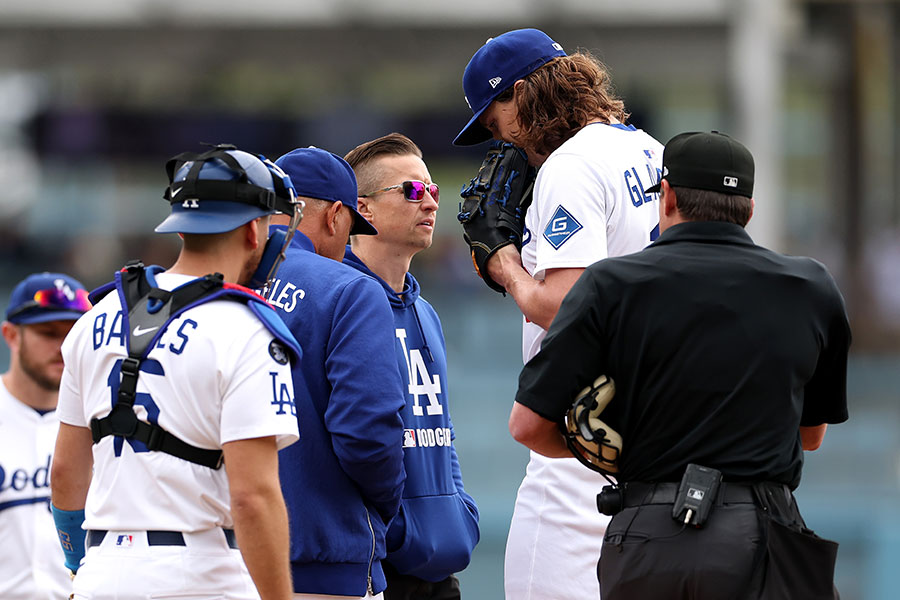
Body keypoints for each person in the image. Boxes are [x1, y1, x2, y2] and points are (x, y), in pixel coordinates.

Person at [510, 131, 850, 599]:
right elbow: (810, 436)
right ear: (749, 210)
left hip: (648, 534)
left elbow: (528, 426)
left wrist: (620, 451)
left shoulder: (612, 284)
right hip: (762, 534)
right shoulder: (810, 287)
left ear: (666, 197)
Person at [453, 27, 664, 599]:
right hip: (659, 434)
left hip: (582, 438)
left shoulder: (570, 165)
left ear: (521, 92)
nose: (502, 139)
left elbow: (569, 306)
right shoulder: (649, 149)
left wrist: (506, 265)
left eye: (495, 120)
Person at [49, 144, 303, 600]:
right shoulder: (246, 329)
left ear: (182, 226)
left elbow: (66, 473)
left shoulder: (95, 316)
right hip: (202, 574)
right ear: (252, 230)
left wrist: (77, 567)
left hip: (100, 573)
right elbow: (253, 498)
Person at [343, 133, 480, 600]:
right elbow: (353, 440)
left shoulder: (426, 312)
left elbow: (442, 430)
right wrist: (396, 532)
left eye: (433, 190)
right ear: (363, 208)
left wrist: (458, 513)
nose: (431, 202)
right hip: (379, 569)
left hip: (440, 567)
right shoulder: (342, 307)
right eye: (412, 190)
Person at [267, 146, 407, 600]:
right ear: (334, 216)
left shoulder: (212, 282)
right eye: (349, 229)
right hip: (324, 568)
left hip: (218, 561)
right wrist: (383, 505)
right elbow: (368, 434)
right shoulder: (349, 290)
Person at [1, 272, 90, 600]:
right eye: (48, 333)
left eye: (73, 333)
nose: (63, 347)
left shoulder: (106, 422)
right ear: (11, 335)